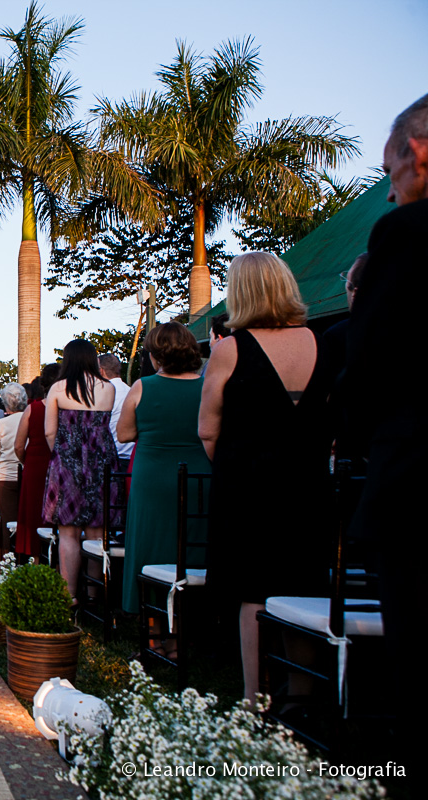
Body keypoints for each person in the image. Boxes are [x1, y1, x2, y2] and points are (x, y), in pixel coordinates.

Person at [200, 252, 335, 705]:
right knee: (302, 585)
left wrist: (236, 465)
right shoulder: (323, 343)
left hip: (247, 487)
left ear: (242, 293)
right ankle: (301, 696)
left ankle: (253, 698)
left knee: (253, 590)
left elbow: (207, 429)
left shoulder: (230, 349)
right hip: (310, 484)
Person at [345, 94, 428, 774]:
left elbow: (369, 362)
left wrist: (356, 302)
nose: (391, 186)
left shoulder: (406, 234)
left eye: (389, 169)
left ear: (418, 154)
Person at [116, 324, 211, 625]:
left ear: (156, 355)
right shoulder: (206, 386)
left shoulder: (143, 386)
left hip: (152, 478)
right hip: (198, 477)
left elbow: (124, 432)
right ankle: (192, 620)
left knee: (150, 548)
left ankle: (156, 629)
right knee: (194, 544)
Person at [42, 340, 118, 599]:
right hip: (102, 459)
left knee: (69, 532)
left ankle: (70, 595)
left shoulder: (58, 389)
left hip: (67, 460)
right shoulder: (108, 388)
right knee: (97, 531)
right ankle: (94, 595)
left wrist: (63, 454)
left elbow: (50, 431)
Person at [15, 364, 60, 563]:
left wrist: (27, 461)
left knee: (34, 515)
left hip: (34, 465)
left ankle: (35, 560)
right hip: (59, 465)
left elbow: (18, 445)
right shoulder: (66, 406)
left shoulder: (33, 409)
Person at [0, 383, 27, 563]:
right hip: (26, 475)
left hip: (6, 476)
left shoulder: (2, 423)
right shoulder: (30, 418)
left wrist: (2, 467)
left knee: (7, 521)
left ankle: (7, 560)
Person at [99, 354, 134, 471]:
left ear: (101, 371)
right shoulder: (131, 391)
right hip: (131, 457)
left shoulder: (103, 394)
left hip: (112, 458)